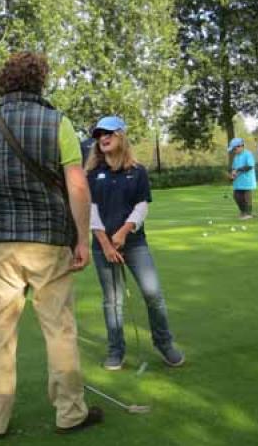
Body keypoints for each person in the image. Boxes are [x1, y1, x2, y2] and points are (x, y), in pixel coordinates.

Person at [0, 52, 103, 438]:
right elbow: (77, 186)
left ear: (3, 83)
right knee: (59, 328)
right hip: (50, 241)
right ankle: (70, 412)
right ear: (40, 82)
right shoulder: (58, 123)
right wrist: (82, 238)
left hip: (0, 244)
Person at [85, 116, 184, 371]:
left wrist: (123, 232)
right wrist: (106, 244)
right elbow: (90, 211)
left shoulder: (137, 171)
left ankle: (163, 343)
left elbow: (141, 206)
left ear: (121, 136)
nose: (103, 138)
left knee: (153, 293)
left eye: (108, 133)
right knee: (113, 300)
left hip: (134, 243)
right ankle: (116, 350)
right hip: (102, 246)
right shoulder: (92, 174)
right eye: (99, 135)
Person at [228, 138, 257, 220]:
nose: (234, 151)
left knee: (247, 198)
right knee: (236, 197)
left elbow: (250, 166)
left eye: (235, 149)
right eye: (233, 150)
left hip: (247, 181)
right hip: (238, 182)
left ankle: (248, 213)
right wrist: (232, 174)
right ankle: (243, 212)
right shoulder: (236, 157)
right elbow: (234, 168)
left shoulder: (248, 154)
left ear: (240, 146)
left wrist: (237, 170)